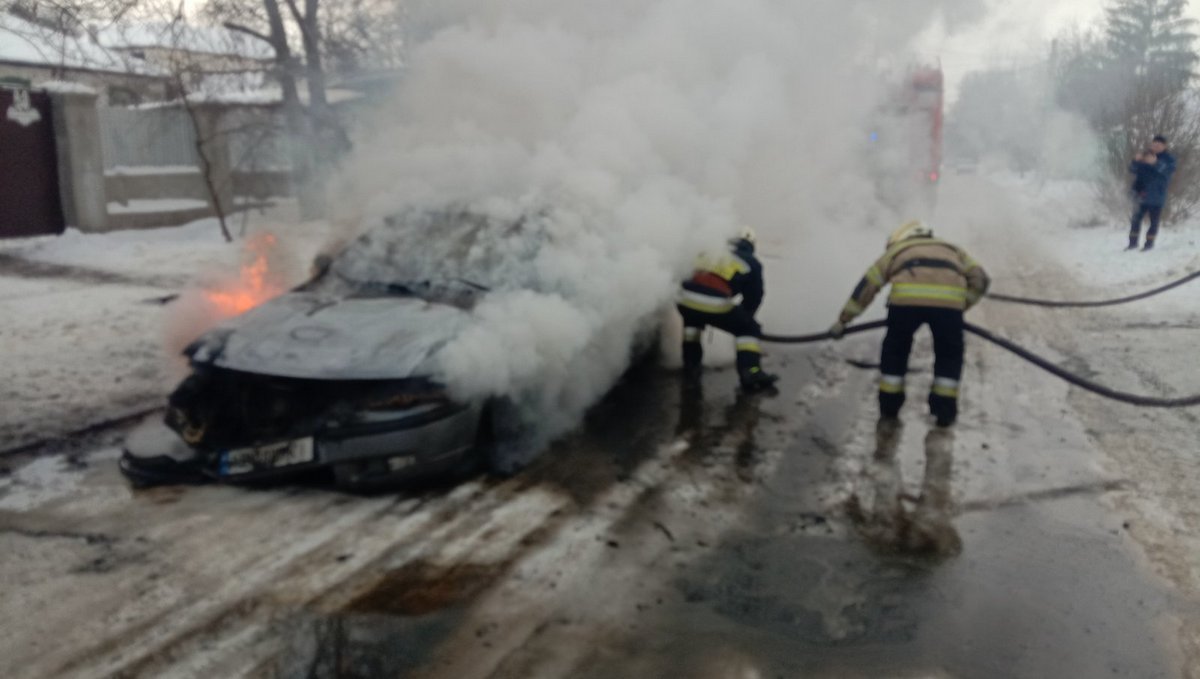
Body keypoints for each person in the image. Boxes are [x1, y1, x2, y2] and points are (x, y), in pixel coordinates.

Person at [828, 220, 990, 428]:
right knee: (949, 355)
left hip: (905, 307)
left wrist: (843, 321)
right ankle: (944, 412)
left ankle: (889, 408)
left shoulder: (897, 250)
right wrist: (961, 304)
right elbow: (981, 280)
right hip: (948, 310)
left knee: (895, 351)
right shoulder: (953, 249)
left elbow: (867, 287)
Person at [677, 227, 779, 392]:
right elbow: (754, 295)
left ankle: (691, 367)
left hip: (684, 298)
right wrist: (746, 316)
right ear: (751, 244)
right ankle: (751, 372)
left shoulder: (710, 251)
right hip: (713, 301)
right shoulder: (750, 261)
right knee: (749, 328)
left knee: (692, 325)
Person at [1128, 135, 1177, 251]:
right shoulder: (1145, 155)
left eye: (1158, 145)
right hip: (1141, 193)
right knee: (1135, 220)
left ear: (1164, 146)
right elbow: (1132, 170)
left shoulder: (1169, 159)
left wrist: (1155, 163)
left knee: (1154, 222)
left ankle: (1149, 244)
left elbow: (1168, 172)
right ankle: (1132, 244)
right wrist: (1135, 161)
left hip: (1157, 195)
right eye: (1153, 145)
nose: (1155, 147)